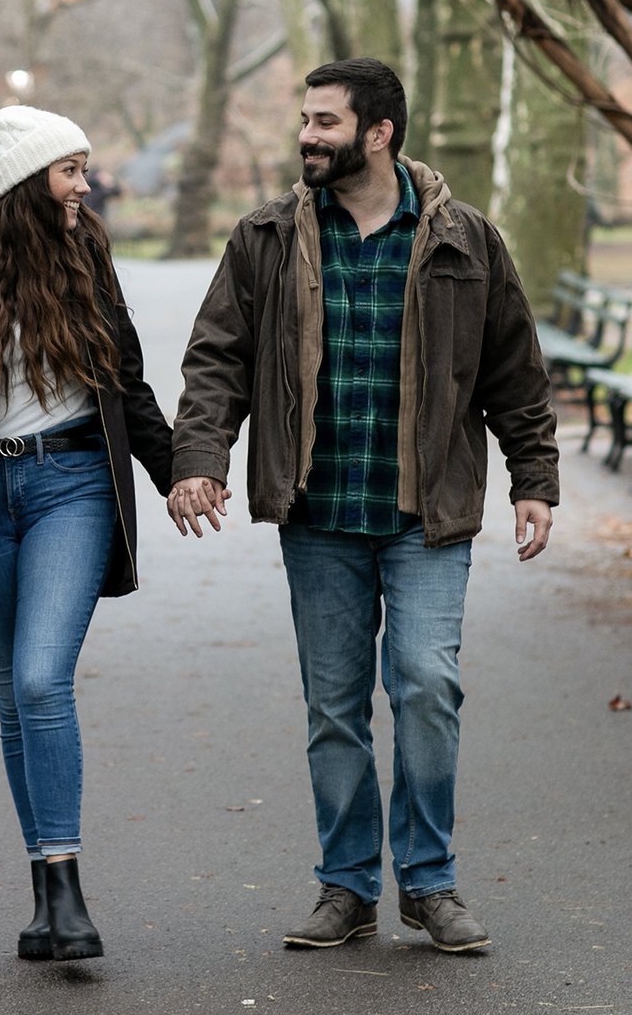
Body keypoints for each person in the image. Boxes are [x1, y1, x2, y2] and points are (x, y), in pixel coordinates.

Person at [167, 58, 560, 956]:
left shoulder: (466, 240)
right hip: (319, 513)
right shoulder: (265, 236)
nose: (307, 136)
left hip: (427, 515)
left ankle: (428, 880)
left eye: (325, 122)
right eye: (305, 120)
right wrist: (200, 456)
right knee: (335, 705)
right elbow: (215, 356)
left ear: (379, 133)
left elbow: (514, 369)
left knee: (426, 686)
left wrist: (534, 476)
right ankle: (346, 884)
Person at [0, 100, 174, 964]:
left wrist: (179, 471)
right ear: (25, 180)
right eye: (71, 170)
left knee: (44, 680)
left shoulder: (87, 252)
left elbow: (125, 373)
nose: (85, 185)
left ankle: (70, 893)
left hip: (73, 483)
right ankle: (46, 896)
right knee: (15, 701)